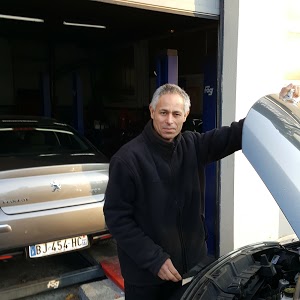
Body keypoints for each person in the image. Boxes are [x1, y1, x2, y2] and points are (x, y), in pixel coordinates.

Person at [103, 83, 245, 300]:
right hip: (144, 277)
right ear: (152, 112)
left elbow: (235, 135)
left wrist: (276, 106)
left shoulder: (193, 145)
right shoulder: (127, 159)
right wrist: (154, 259)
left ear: (186, 115)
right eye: (163, 112)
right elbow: (116, 218)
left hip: (183, 268)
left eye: (176, 114)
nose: (169, 120)